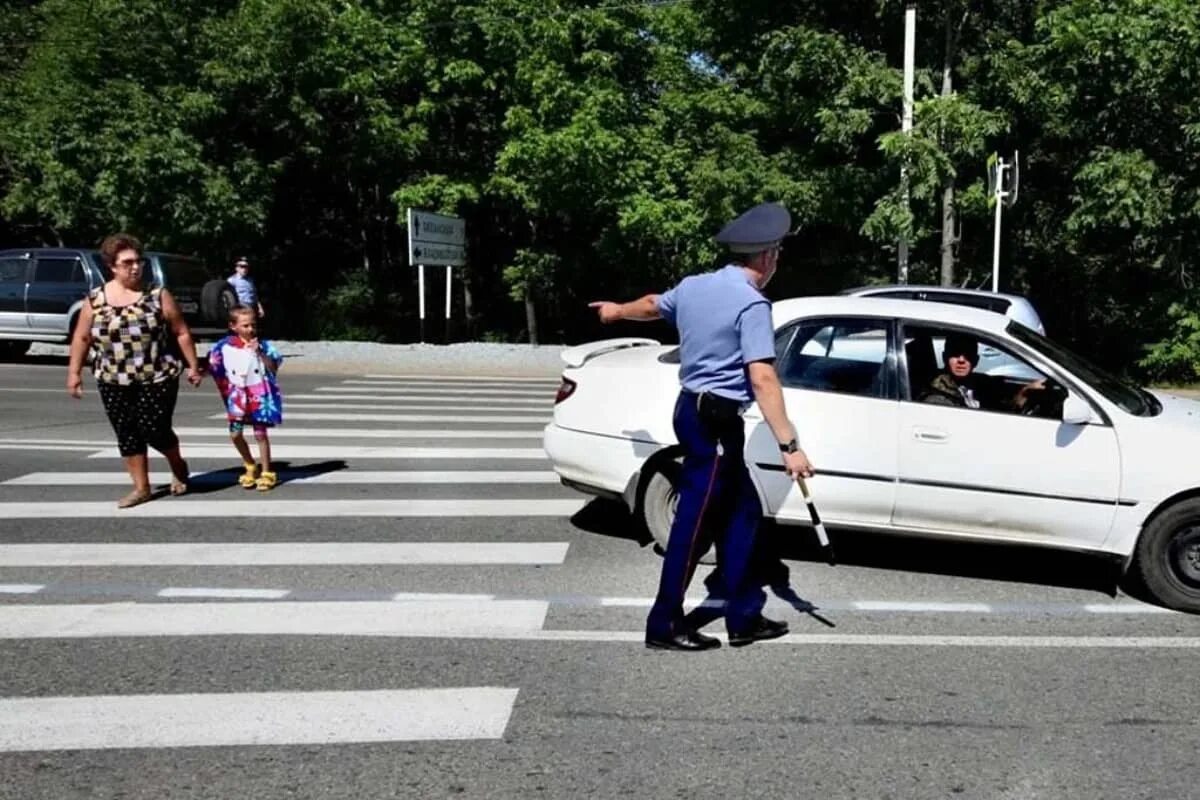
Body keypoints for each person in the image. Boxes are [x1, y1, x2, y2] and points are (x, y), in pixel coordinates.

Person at [589, 201, 814, 652]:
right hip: (713, 424)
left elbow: (654, 305)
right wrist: (790, 446)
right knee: (693, 526)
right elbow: (763, 377)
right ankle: (664, 623)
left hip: (696, 413)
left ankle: (744, 615)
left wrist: (616, 312)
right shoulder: (752, 304)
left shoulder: (694, 286)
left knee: (745, 512)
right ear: (768, 257)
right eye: (778, 255)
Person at [66, 233, 203, 508]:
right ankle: (141, 488)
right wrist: (74, 373)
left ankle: (177, 464)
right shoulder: (95, 300)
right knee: (127, 432)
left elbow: (181, 332)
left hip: (157, 375)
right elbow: (81, 337)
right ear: (112, 266)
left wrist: (193, 366)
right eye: (127, 262)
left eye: (138, 261)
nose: (135, 267)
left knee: (154, 428)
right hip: (112, 377)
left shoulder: (157, 295)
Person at [207, 305, 284, 491]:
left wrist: (259, 352)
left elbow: (274, 366)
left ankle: (266, 471)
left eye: (253, 325)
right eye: (245, 326)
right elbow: (213, 363)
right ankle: (250, 464)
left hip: (258, 394)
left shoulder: (263, 346)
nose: (250, 329)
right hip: (238, 395)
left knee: (260, 434)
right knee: (235, 433)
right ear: (233, 326)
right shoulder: (224, 346)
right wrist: (199, 373)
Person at [919, 333, 1045, 412]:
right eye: (955, 354)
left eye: (967, 354)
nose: (961, 360)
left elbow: (1002, 409)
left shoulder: (984, 384)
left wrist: (1023, 394)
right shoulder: (937, 395)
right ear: (945, 357)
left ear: (976, 360)